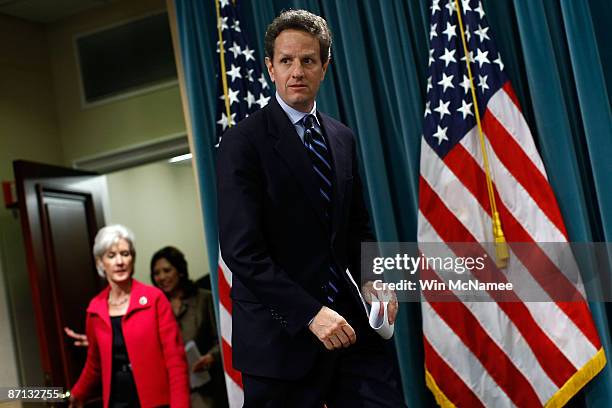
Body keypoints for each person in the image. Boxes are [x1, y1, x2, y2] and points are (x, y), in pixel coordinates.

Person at [216, 9, 405, 407]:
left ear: (325, 67)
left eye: (308, 60)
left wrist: (374, 279)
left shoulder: (342, 137)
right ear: (270, 68)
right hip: (280, 338)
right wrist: (309, 313)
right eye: (286, 61)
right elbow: (241, 252)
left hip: (351, 326)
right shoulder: (242, 143)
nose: (296, 71)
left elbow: (357, 227)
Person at [68, 225, 190, 408]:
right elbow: (94, 364)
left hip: (155, 402)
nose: (120, 262)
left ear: (133, 258)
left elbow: (175, 361)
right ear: (100, 263)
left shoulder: (154, 299)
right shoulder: (95, 309)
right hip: (118, 400)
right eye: (111, 256)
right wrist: (76, 394)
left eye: (125, 254)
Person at [151, 246, 228, 408]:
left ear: (180, 271)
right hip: (172, 390)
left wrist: (211, 357)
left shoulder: (204, 298)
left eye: (166, 270)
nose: (162, 277)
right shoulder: (154, 308)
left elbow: (222, 338)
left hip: (207, 389)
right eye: (156, 273)